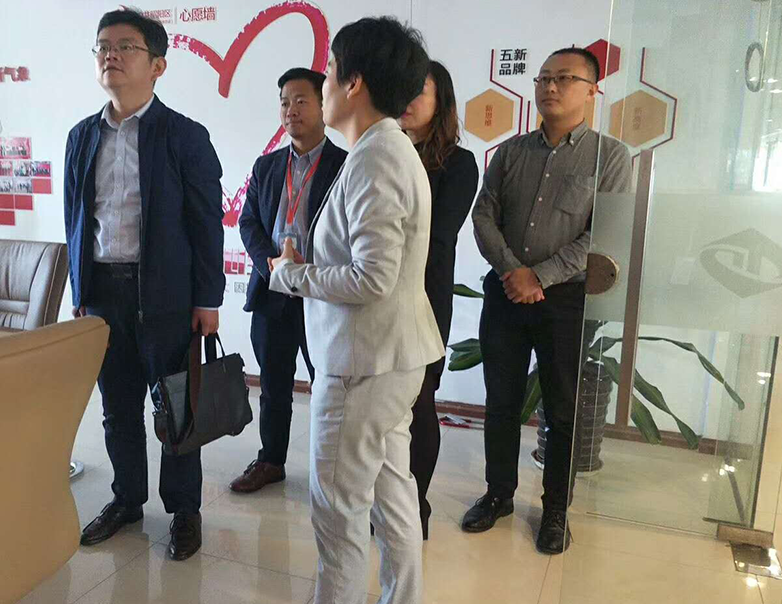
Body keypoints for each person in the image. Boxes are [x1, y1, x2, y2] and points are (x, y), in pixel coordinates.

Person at [268, 17, 442, 604]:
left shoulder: (376, 157)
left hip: (361, 364)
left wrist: (291, 275)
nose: (323, 83)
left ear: (354, 82)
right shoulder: (384, 148)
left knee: (339, 513)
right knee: (393, 499)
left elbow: (372, 277)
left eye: (330, 70)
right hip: (388, 358)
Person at [63, 8, 225, 561]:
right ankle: (127, 499)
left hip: (167, 294)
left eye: (125, 46)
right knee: (117, 406)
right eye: (102, 46)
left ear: (157, 65)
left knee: (178, 408)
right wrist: (81, 292)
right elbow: (76, 218)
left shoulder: (184, 136)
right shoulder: (81, 137)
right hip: (103, 293)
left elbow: (206, 223)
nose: (110, 55)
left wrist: (207, 299)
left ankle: (184, 510)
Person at [465, 47, 632, 554]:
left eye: (564, 78)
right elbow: (483, 215)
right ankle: (499, 494)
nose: (550, 87)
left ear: (592, 91)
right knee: (501, 402)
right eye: (543, 78)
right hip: (505, 294)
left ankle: (556, 509)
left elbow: (602, 234)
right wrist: (512, 272)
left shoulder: (610, 157)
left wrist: (538, 276)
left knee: (561, 409)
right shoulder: (511, 152)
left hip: (565, 301)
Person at [231, 68, 347, 493]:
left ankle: (331, 469)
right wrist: (271, 264)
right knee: (273, 384)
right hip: (273, 291)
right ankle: (270, 460)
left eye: (300, 101)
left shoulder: (345, 166)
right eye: (284, 102)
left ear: (322, 105)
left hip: (322, 294)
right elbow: (248, 222)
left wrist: (307, 267)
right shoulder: (266, 166)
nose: (290, 110)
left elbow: (349, 232)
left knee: (328, 386)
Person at [397, 60, 479, 540]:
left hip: (424, 298)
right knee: (386, 406)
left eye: (419, 92)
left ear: (440, 101)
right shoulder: (379, 153)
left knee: (420, 400)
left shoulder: (457, 163)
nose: (407, 100)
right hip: (373, 297)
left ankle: (417, 506)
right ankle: (387, 499)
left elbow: (438, 235)